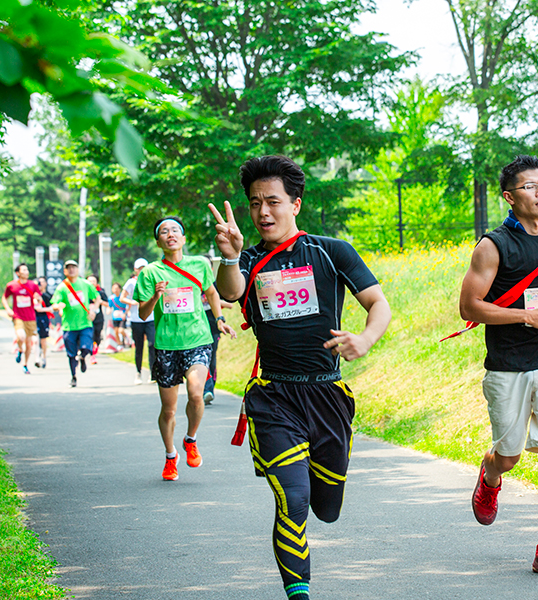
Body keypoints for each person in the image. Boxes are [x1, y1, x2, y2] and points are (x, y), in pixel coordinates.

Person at [209, 155, 391, 600]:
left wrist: (365, 339)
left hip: (327, 395)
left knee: (326, 508)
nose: (263, 212)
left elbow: (378, 303)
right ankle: (299, 595)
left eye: (273, 201)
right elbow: (231, 291)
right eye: (255, 203)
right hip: (274, 397)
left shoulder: (332, 251)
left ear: (295, 204)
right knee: (293, 499)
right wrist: (230, 256)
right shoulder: (248, 259)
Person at [456, 155, 538, 577]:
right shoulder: (493, 246)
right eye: (530, 186)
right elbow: (469, 306)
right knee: (509, 456)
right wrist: (526, 315)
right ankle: (491, 474)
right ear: (510, 197)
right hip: (508, 365)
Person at [136, 217, 236, 481]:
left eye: (175, 230)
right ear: (158, 241)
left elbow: (212, 293)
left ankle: (190, 439)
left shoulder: (200, 264)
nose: (170, 234)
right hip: (167, 345)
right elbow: (143, 314)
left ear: (183, 237)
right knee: (168, 410)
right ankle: (171, 455)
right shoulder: (150, 273)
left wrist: (219, 319)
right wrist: (156, 296)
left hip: (198, 339)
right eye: (164, 232)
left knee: (196, 393)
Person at [50, 260, 103, 387]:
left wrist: (94, 311)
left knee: (86, 346)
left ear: (78, 270)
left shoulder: (85, 284)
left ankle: (83, 357)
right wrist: (59, 306)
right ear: (65, 271)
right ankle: (73, 376)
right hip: (69, 326)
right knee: (71, 354)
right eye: (69, 268)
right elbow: (54, 303)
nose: (71, 270)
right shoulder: (62, 287)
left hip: (85, 323)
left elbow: (97, 298)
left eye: (74, 267)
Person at [202, 257, 233, 405]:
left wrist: (211, 299)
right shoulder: (193, 285)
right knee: (201, 360)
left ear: (211, 269)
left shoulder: (215, 285)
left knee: (211, 360)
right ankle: (202, 390)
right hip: (197, 329)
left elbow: (230, 304)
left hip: (213, 328)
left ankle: (208, 390)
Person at [2, 263, 42, 375]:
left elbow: (39, 298)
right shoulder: (11, 285)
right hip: (18, 316)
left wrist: (38, 299)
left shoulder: (33, 285)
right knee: (21, 336)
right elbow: (4, 298)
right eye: (23, 270)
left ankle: (25, 364)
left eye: (27, 270)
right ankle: (20, 349)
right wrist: (8, 309)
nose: (26, 272)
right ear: (18, 273)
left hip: (30, 317)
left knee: (29, 344)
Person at [121, 258, 157, 384]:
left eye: (144, 268)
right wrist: (132, 302)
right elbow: (122, 298)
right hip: (136, 319)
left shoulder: (151, 281)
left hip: (150, 318)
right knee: (139, 346)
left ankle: (153, 373)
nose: (142, 271)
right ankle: (138, 372)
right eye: (140, 269)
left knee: (152, 344)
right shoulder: (131, 282)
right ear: (135, 270)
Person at [87, 275, 109, 363]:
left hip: (98, 318)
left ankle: (95, 349)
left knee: (97, 335)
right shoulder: (84, 292)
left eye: (93, 281)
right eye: (90, 281)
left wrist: (99, 301)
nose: (92, 283)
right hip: (87, 318)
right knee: (90, 335)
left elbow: (107, 304)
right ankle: (91, 354)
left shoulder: (101, 292)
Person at [34, 276, 54, 369]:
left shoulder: (46, 296)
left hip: (43, 319)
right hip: (33, 318)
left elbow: (52, 307)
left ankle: (44, 357)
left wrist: (44, 309)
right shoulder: (31, 296)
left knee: (43, 339)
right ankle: (37, 358)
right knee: (35, 339)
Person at [109, 282, 127, 349]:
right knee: (116, 331)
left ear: (120, 289)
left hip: (122, 316)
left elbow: (128, 305)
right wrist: (108, 310)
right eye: (114, 288)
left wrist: (125, 313)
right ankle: (119, 344)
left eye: (117, 288)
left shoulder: (123, 297)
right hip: (115, 317)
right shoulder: (111, 298)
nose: (115, 290)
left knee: (121, 330)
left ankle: (126, 337)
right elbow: (109, 306)